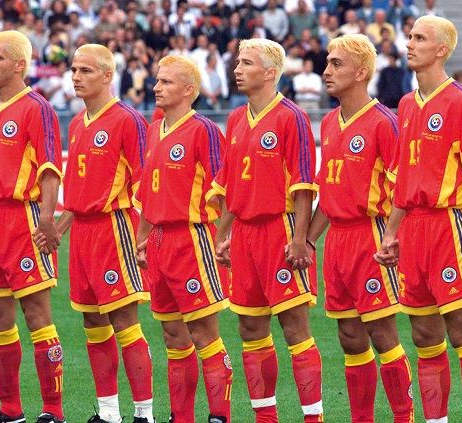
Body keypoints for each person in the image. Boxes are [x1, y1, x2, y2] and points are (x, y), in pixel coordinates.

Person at [375, 15, 462, 423]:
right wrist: (391, 232)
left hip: (449, 225)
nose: (409, 44)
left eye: (420, 38)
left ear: (441, 49)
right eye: (409, 37)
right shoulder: (406, 105)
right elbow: (403, 177)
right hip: (412, 231)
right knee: (424, 336)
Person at [209, 38, 322, 423]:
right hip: (244, 234)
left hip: (280, 229)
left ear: (271, 73)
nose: (237, 69)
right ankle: (266, 418)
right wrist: (224, 233)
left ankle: (312, 417)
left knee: (294, 327)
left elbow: (304, 183)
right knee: (250, 325)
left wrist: (300, 238)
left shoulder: (292, 117)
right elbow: (229, 187)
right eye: (237, 61)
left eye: (247, 63)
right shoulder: (237, 119)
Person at [41, 44, 154, 423]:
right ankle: (109, 414)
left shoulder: (128, 120)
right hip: (83, 236)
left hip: (114, 228)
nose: (76, 77)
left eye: (86, 70)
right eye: (74, 70)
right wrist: (58, 228)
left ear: (107, 75)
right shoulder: (75, 123)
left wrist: (142, 238)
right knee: (92, 321)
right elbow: (76, 189)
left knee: (124, 320)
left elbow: (146, 186)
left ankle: (145, 414)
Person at [306, 34, 413, 422]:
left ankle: (404, 416)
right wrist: (306, 241)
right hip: (336, 239)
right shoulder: (330, 122)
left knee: (383, 334)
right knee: (349, 337)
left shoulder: (385, 122)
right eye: (328, 63)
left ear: (361, 72)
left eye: (336, 64)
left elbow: (403, 186)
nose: (326, 70)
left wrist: (391, 236)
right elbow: (329, 190)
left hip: (370, 235)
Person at [0, 30, 65, 423]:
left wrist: (46, 220)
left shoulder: (37, 108)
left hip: (23, 220)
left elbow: (50, 172)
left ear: (20, 65)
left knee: (37, 313)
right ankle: (11, 410)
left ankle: (53, 411)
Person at [135, 55, 232, 423]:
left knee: (203, 331)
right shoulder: (153, 128)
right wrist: (142, 239)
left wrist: (225, 238)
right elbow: (147, 192)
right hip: (158, 241)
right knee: (173, 336)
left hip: (193, 240)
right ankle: (182, 416)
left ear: (189, 90)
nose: (157, 87)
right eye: (157, 81)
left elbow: (223, 191)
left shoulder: (203, 130)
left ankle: (219, 415)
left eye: (166, 83)